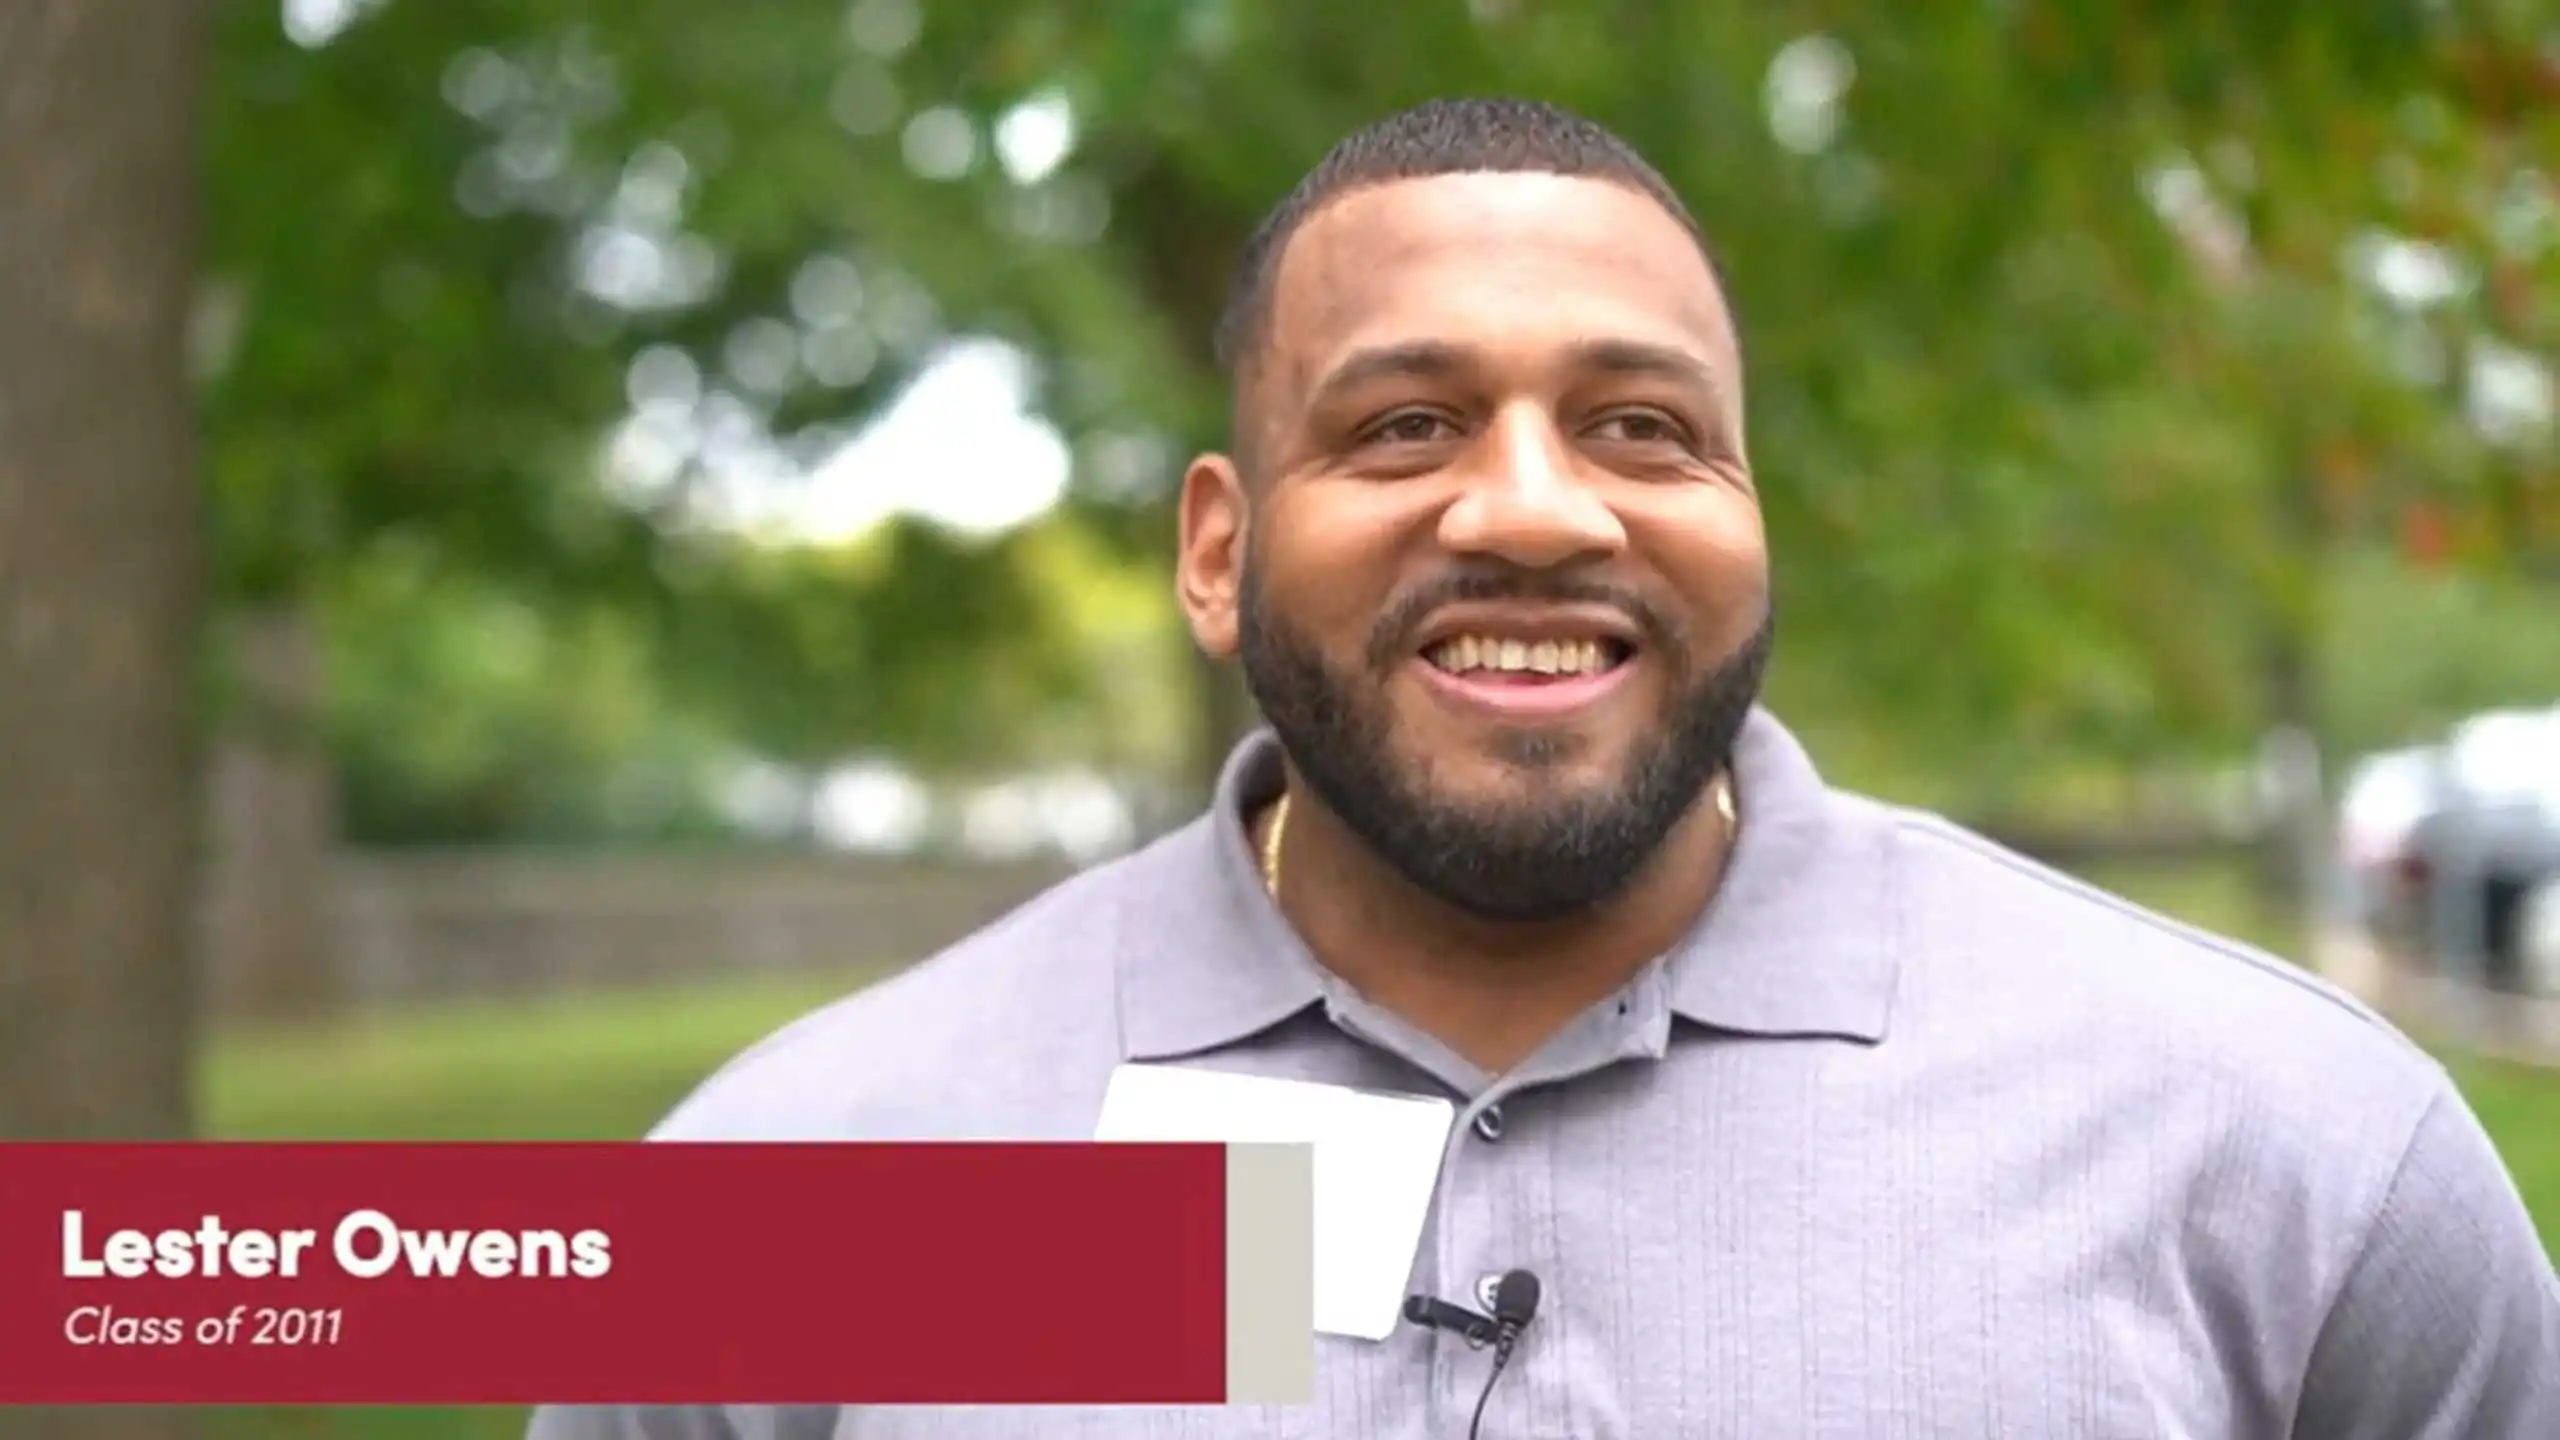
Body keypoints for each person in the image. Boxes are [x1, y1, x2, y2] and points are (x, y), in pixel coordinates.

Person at [530, 97, 2560, 1438]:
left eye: (1642, 429)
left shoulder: (2282, 1156)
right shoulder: (815, 1177)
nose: (1533, 510)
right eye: (1403, 425)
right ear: (1217, 551)